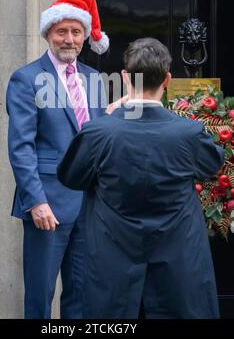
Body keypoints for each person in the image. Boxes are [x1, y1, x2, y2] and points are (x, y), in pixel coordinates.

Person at [57, 37, 224, 319]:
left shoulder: (98, 133)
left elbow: (71, 177)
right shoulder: (189, 134)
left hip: (112, 259)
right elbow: (212, 165)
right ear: (168, 79)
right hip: (179, 260)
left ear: (124, 77)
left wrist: (108, 117)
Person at [6, 0, 108, 319]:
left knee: (81, 295)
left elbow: (100, 140)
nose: (69, 39)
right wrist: (35, 202)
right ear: (48, 33)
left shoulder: (94, 79)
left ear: (85, 36)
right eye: (62, 31)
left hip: (89, 206)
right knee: (40, 295)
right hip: (47, 205)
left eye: (76, 32)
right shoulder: (26, 79)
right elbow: (21, 147)